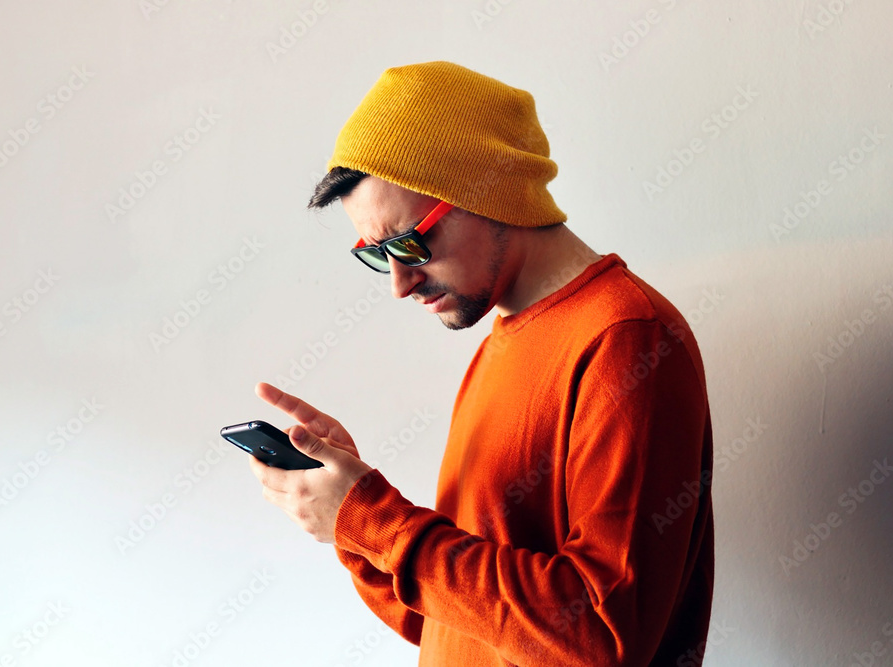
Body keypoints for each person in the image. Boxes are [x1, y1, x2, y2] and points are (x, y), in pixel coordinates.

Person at [250, 61, 714, 666]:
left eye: (409, 242)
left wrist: (374, 518)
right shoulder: (500, 345)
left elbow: (601, 637)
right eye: (378, 254)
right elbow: (449, 622)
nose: (399, 283)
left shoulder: (626, 340)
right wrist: (354, 522)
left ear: (490, 192)